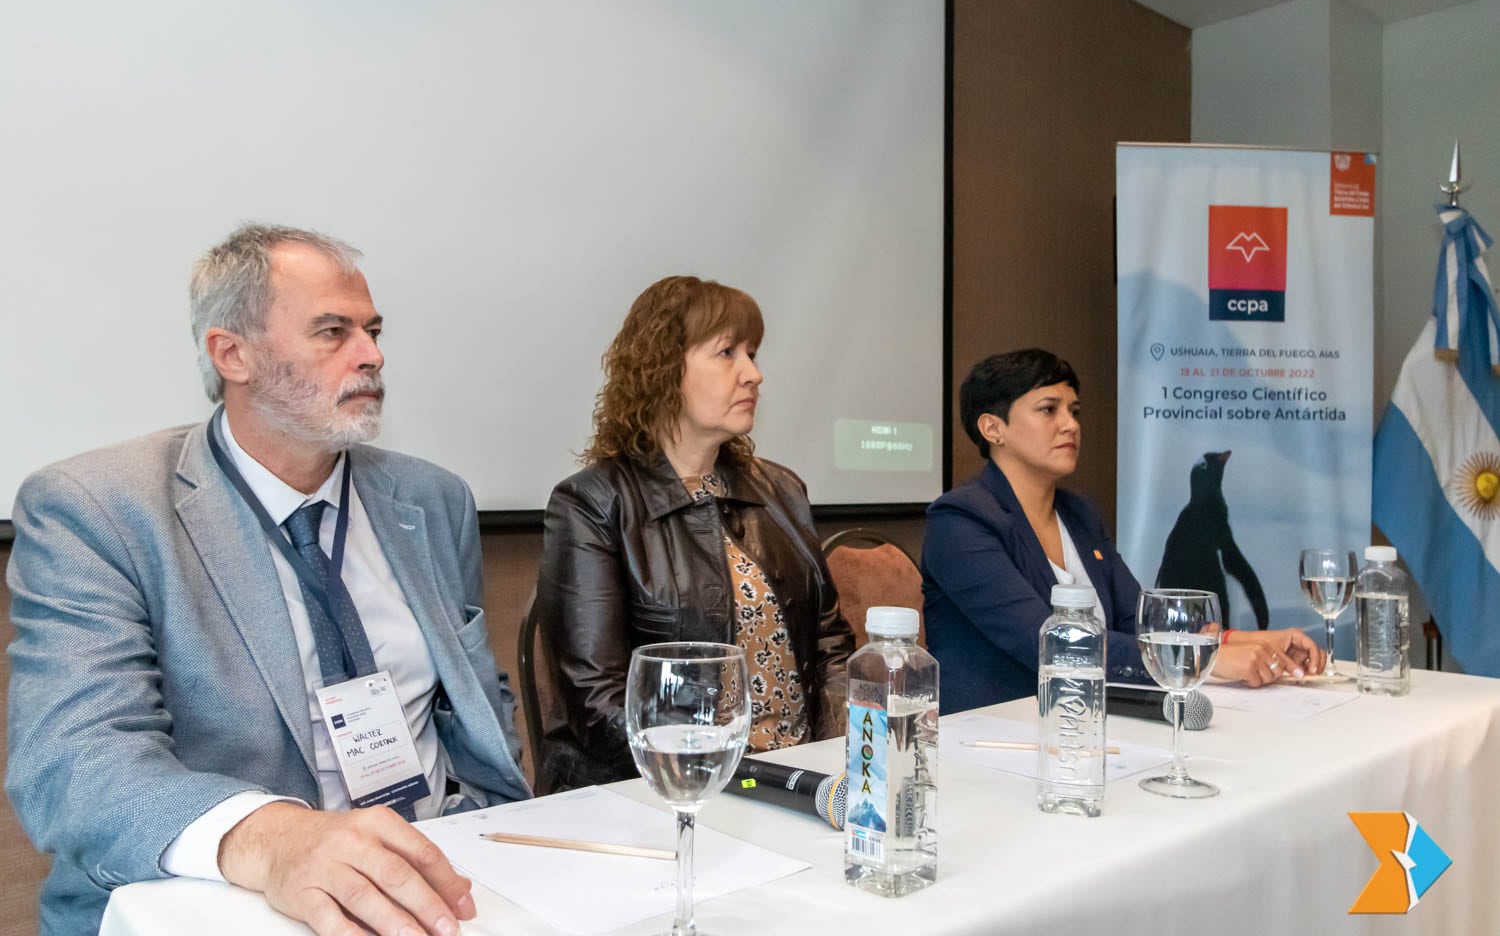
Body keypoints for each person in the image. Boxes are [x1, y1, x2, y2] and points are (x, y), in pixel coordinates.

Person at [5, 225, 530, 936]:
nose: (372, 356)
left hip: (446, 876)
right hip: (230, 899)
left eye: (372, 331)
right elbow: (75, 761)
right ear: (232, 354)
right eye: (332, 332)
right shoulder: (100, 509)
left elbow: (475, 701)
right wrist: (274, 838)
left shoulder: (432, 500)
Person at [536, 275, 854, 790]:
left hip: (800, 781)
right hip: (663, 794)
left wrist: (836, 760)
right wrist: (732, 776)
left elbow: (830, 643)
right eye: (727, 352)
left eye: (752, 353)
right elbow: (596, 702)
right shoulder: (593, 503)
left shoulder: (782, 489)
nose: (753, 374)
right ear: (663, 370)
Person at [922, 349, 1326, 713]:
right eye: (1049, 410)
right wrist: (1205, 659)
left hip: (1095, 723)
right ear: (994, 429)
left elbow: (1138, 619)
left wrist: (1246, 642)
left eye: (1074, 411)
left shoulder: (1078, 513)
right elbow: (1048, 643)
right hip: (997, 734)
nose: (1070, 425)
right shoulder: (960, 521)